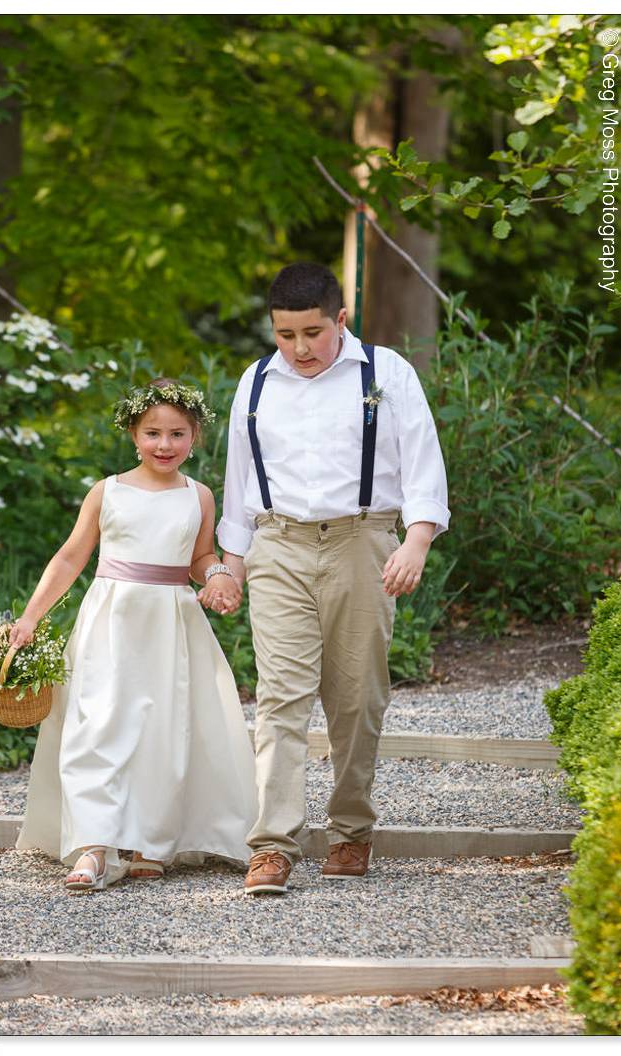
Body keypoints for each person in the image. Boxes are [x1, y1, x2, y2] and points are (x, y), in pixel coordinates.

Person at [217, 262, 450, 895]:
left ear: (340, 319)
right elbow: (241, 482)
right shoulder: (256, 383)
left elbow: (423, 458)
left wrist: (417, 540)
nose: (298, 349)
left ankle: (350, 830)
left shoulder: (386, 373)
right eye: (285, 335)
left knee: (357, 697)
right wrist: (230, 565)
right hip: (279, 547)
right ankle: (272, 845)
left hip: (363, 543)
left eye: (312, 333)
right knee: (280, 697)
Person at [11, 379, 258, 891]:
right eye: (152, 433)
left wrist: (215, 576)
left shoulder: (199, 496)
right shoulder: (109, 490)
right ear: (132, 433)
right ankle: (93, 847)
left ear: (195, 437)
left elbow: (199, 558)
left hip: (170, 622)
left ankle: (150, 841)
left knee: (163, 728)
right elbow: (71, 556)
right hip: (112, 618)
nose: (164, 445)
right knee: (96, 724)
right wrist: (31, 616)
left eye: (177, 434)